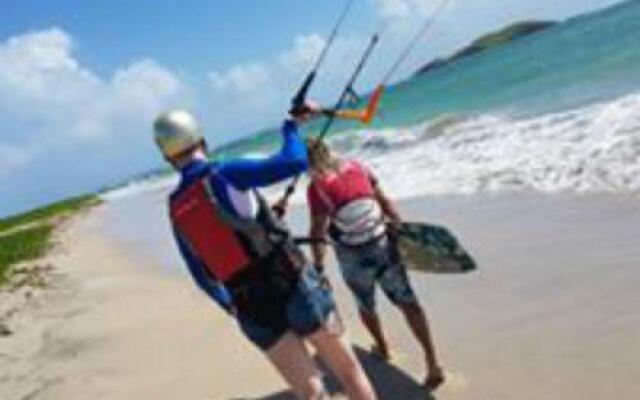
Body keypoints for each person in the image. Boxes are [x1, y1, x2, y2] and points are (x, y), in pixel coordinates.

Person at [153, 108, 377, 400]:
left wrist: (230, 305)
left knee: (311, 393)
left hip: (250, 308)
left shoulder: (176, 208)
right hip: (294, 286)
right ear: (202, 141)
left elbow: (201, 273)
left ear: (169, 158)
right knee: (349, 374)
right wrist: (290, 128)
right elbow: (294, 161)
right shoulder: (225, 174)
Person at [305, 138, 445, 390]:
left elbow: (317, 231)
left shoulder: (316, 187)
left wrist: (318, 265)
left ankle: (382, 348)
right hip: (384, 245)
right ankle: (433, 362)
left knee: (366, 305)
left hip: (354, 256)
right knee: (409, 304)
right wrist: (403, 234)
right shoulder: (359, 167)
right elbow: (386, 203)